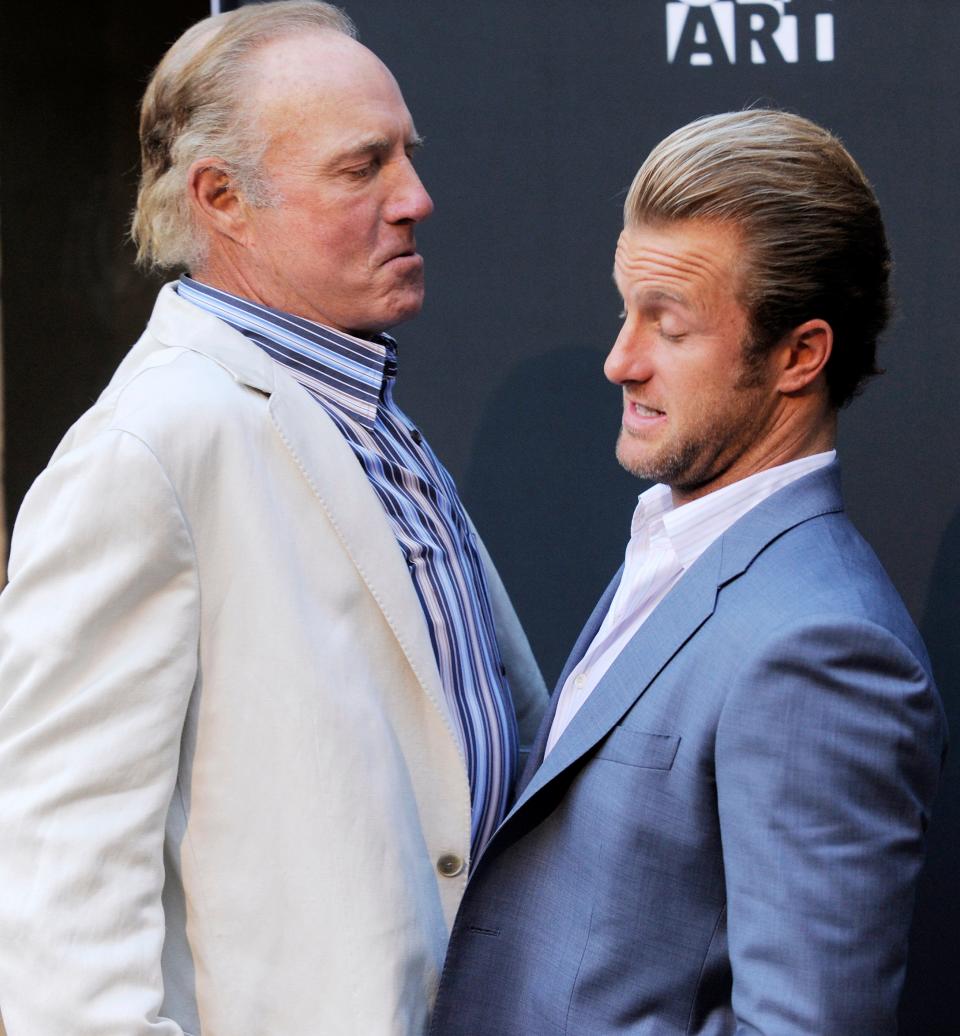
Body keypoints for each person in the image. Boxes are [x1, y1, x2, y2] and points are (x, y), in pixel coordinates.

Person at [0, 4, 546, 1034]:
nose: (415, 198)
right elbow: (53, 885)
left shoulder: (371, 420)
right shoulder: (151, 448)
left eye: (408, 158)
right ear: (222, 200)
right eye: (361, 167)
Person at [430, 110, 947, 1035]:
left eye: (668, 327)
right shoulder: (682, 541)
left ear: (799, 355)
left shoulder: (825, 650)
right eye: (624, 311)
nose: (618, 360)